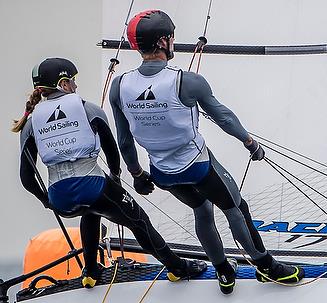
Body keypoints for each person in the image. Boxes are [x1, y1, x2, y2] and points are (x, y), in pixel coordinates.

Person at [109, 10, 304, 295]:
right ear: (164, 41)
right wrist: (250, 143)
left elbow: (124, 140)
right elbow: (223, 117)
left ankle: (224, 271)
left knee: (202, 210)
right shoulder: (187, 81)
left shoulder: (120, 86)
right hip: (197, 167)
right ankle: (266, 266)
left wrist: (137, 175)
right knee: (236, 208)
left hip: (161, 173)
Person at [13, 57, 207, 288]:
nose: (76, 86)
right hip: (93, 187)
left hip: (60, 197)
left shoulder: (30, 123)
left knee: (91, 212)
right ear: (63, 84)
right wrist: (114, 178)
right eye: (73, 81)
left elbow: (26, 178)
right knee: (139, 221)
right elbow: (112, 151)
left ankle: (91, 272)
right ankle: (178, 268)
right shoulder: (87, 109)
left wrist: (48, 201)